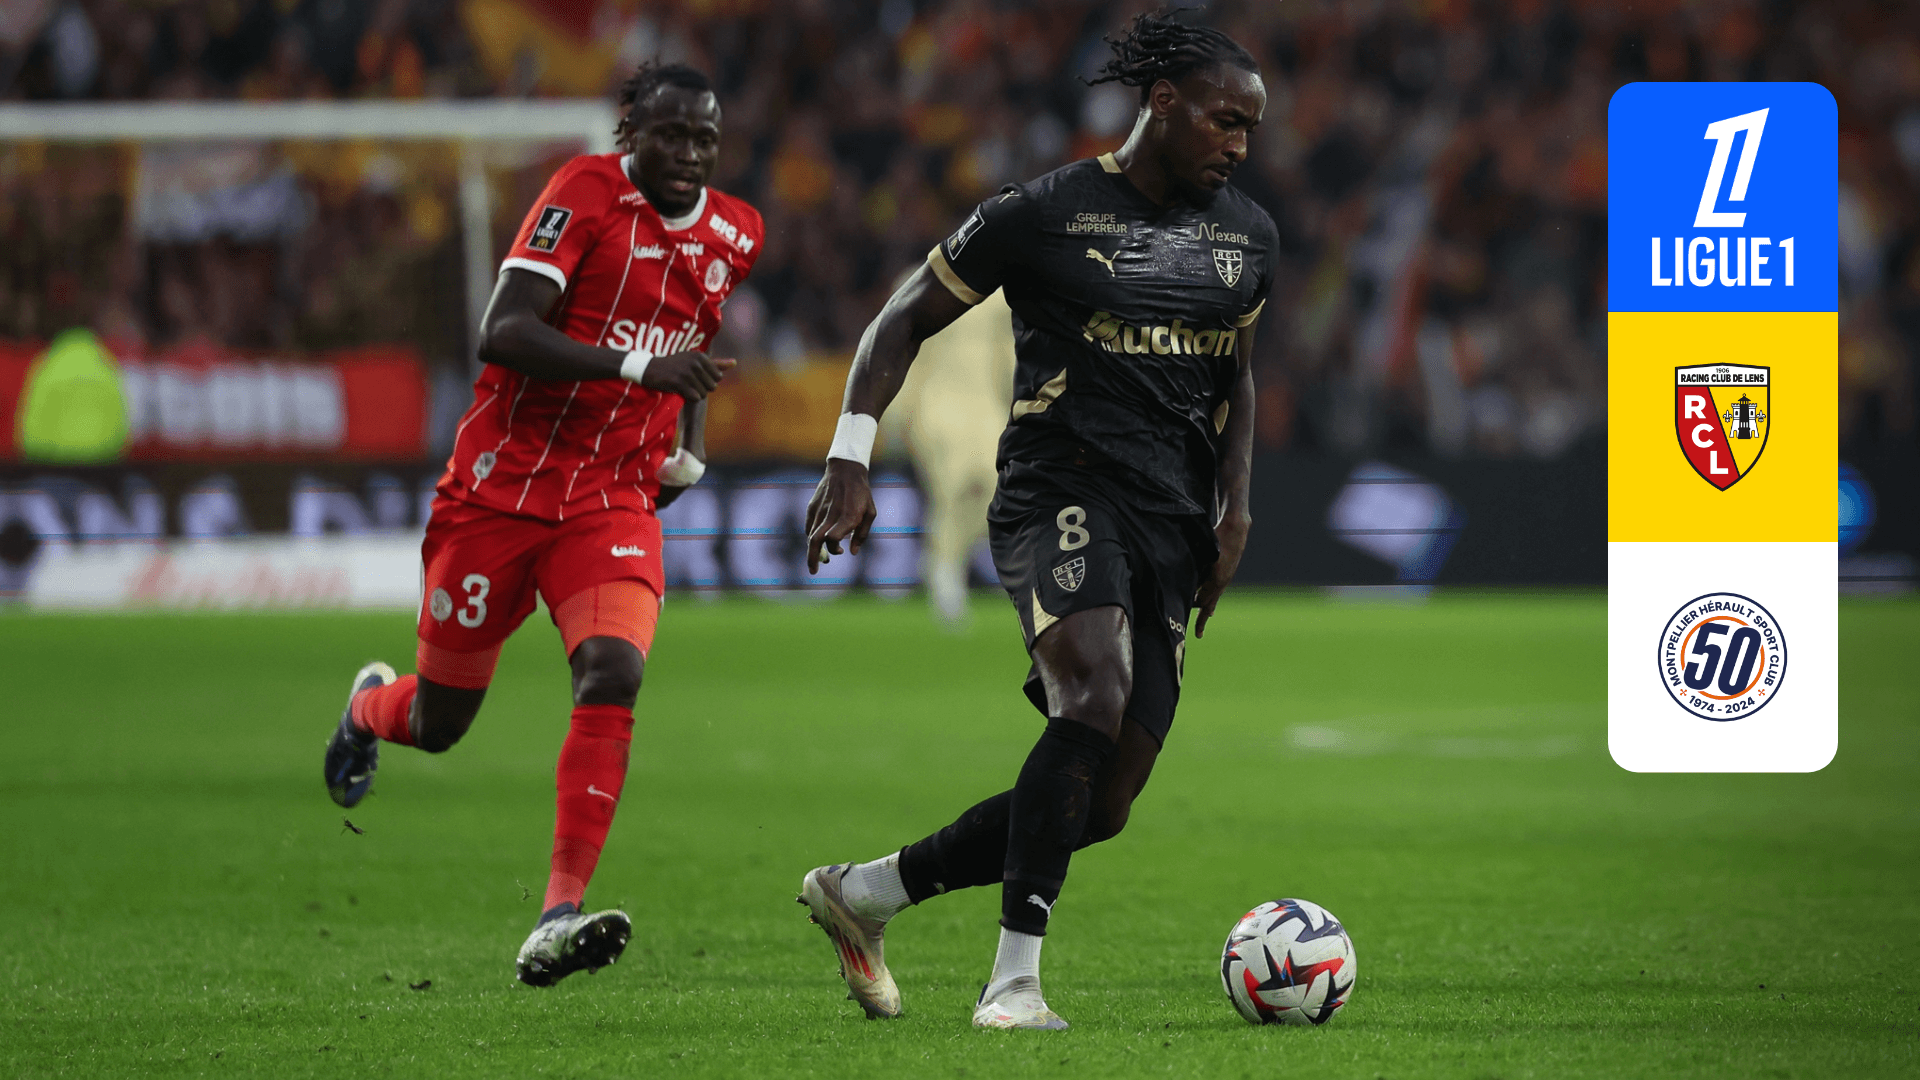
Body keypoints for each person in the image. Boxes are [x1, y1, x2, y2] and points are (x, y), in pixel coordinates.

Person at [798, 12, 1274, 1030]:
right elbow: (902, 317)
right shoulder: (1044, 213)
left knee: (1103, 803)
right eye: (1226, 121)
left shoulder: (1248, 238)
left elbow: (1237, 379)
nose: (1240, 145)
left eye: (1251, 129)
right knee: (1091, 692)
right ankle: (1013, 983)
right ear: (1163, 103)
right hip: (1061, 487)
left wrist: (1234, 512)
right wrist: (849, 452)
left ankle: (867, 893)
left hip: (1172, 518)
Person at [321, 61, 762, 987]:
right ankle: (367, 708)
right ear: (629, 133)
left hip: (610, 497)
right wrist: (637, 370)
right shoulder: (582, 194)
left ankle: (557, 913)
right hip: (499, 489)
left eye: (704, 139)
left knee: (613, 670)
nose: (689, 154)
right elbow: (505, 330)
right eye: (670, 135)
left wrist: (689, 445)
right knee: (440, 723)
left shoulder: (737, 230)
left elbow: (693, 345)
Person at [877, 287, 1016, 623]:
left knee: (996, 491)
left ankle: (944, 558)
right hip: (936, 402)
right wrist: (896, 408)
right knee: (952, 491)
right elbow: (900, 348)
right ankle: (945, 575)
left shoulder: (1001, 294)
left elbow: (1010, 352)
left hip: (985, 405)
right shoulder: (921, 283)